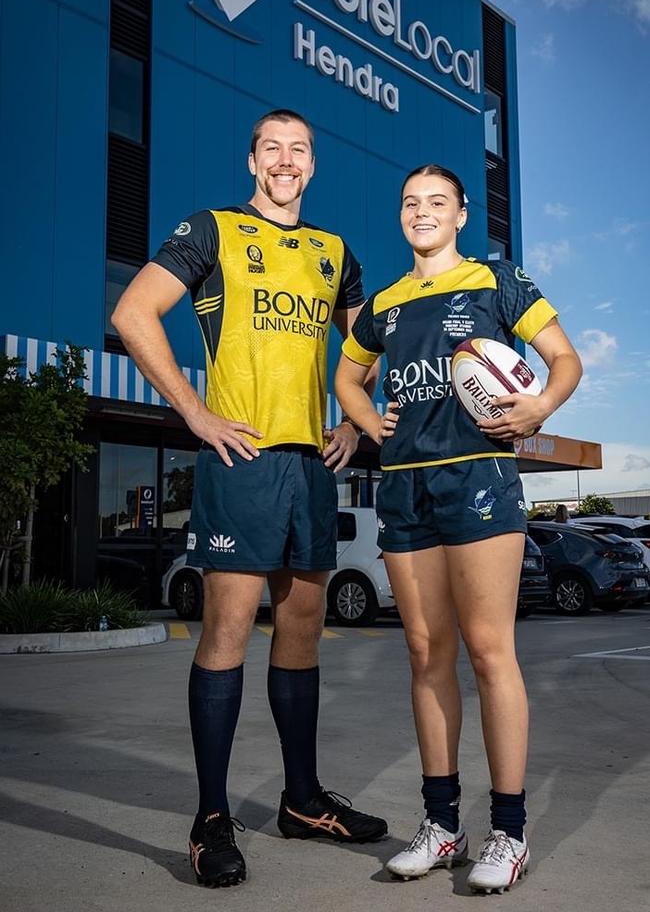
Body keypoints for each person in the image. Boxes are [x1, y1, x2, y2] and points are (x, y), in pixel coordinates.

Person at [112, 109, 386, 888]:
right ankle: (209, 819)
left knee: (301, 630)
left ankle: (301, 801)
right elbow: (133, 314)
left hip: (309, 468)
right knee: (228, 631)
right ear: (253, 160)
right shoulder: (212, 231)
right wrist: (193, 414)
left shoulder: (337, 253)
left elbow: (365, 351)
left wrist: (352, 422)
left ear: (313, 163)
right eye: (273, 149)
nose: (286, 161)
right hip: (242, 456)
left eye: (300, 149)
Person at [335, 164, 582, 893]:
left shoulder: (498, 280)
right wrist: (361, 416)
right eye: (411, 203)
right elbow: (347, 376)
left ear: (461, 213)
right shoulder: (383, 303)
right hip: (404, 487)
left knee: (487, 650)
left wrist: (540, 410)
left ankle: (510, 832)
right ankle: (443, 827)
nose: (422, 212)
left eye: (436, 201)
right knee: (424, 653)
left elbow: (565, 361)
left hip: (479, 478)